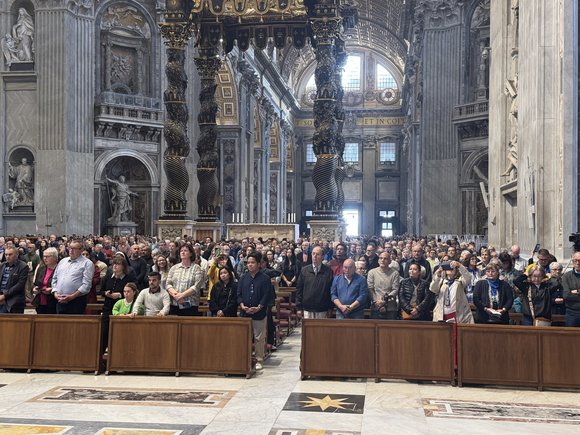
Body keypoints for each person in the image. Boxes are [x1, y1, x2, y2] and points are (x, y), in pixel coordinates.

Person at [237, 252, 273, 371]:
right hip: (245, 312)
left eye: (252, 262)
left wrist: (259, 307)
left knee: (259, 338)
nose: (250, 265)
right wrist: (242, 305)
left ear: (258, 264)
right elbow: (239, 294)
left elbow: (267, 295)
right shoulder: (243, 278)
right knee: (245, 336)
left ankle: (259, 359)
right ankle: (245, 358)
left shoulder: (265, 278)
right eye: (248, 263)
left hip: (259, 312)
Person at [51, 241, 94, 314]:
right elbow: (54, 279)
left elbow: (86, 285)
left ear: (81, 250)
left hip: (76, 301)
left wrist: (71, 297)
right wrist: (55, 293)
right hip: (59, 300)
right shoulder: (63, 261)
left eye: (74, 248)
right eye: (70, 248)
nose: (71, 250)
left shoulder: (87, 263)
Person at [295, 246, 334, 319]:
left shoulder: (328, 271)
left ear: (322, 257)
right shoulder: (304, 270)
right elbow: (299, 289)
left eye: (318, 254)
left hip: (322, 309)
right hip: (307, 308)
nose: (315, 256)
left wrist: (330, 308)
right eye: (313, 254)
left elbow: (331, 290)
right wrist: (299, 307)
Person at [166, 244, 203, 316]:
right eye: (181, 251)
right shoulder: (174, 268)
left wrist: (181, 295)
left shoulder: (196, 268)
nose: (183, 252)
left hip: (191, 305)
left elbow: (196, 286)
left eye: (185, 250)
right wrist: (176, 296)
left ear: (191, 254)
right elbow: (168, 284)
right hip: (175, 303)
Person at [367, 251, 400, 319]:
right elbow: (370, 289)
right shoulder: (372, 272)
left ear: (390, 261)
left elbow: (395, 289)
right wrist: (377, 302)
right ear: (378, 260)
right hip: (376, 306)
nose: (382, 260)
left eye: (385, 259)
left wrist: (384, 301)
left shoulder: (395, 273)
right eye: (381, 258)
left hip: (390, 308)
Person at [0, 246, 28, 313]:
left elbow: (20, 285)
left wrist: (4, 296)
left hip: (15, 300)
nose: (7, 257)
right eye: (6, 254)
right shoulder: (2, 265)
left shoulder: (23, 266)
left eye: (10, 254)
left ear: (17, 255)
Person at [31, 247, 58, 314]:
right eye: (44, 256)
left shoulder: (59, 269)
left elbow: (63, 285)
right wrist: (35, 289)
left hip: (53, 302)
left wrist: (52, 289)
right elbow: (36, 283)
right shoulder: (41, 268)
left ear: (55, 258)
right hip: (40, 302)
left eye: (47, 256)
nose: (45, 258)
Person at [562, 252, 580, 327]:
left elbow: (570, 294)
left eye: (579, 260)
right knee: (571, 334)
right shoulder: (566, 276)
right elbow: (566, 295)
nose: (578, 263)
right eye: (575, 260)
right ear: (572, 261)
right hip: (572, 312)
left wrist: (577, 291)